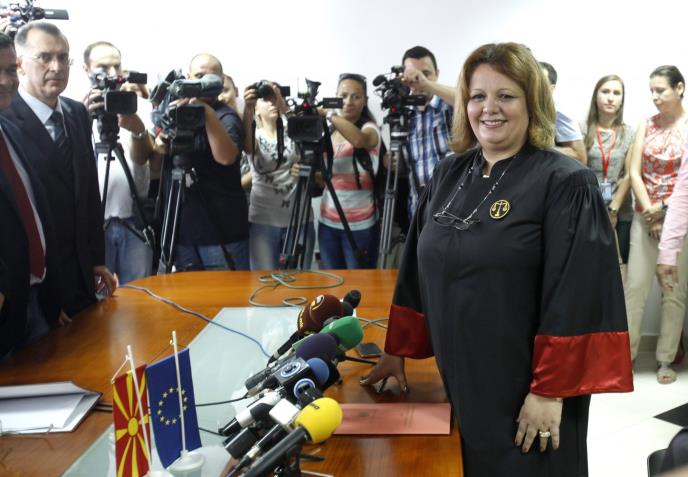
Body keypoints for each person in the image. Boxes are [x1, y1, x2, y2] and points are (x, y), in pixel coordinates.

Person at [361, 42, 632, 476]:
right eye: (478, 96)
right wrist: (397, 350)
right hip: (461, 374)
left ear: (533, 102)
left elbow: (576, 294)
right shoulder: (449, 173)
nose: (489, 108)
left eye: (506, 95)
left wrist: (549, 391)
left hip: (527, 387)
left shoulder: (566, 182)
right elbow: (416, 265)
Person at [1, 22, 116, 317]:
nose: (57, 67)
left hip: (82, 273)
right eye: (45, 57)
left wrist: (95, 258)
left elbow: (87, 192)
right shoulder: (7, 117)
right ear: (20, 65)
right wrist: (48, 300)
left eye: (63, 58)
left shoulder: (76, 112)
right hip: (41, 285)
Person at [0, 31, 64, 357]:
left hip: (35, 302)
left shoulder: (11, 131)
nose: (5, 81)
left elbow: (35, 214)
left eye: (9, 70)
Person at [626, 65, 688, 384]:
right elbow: (634, 171)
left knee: (673, 291)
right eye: (651, 90)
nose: (655, 96)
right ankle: (626, 357)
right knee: (635, 288)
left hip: (679, 220)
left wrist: (664, 210)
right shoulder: (646, 124)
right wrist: (650, 210)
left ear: (679, 88)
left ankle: (665, 359)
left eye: (660, 90)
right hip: (643, 214)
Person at [159, 53, 249, 271]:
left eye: (212, 77)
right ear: (188, 77)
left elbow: (226, 157)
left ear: (221, 80)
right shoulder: (178, 112)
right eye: (199, 76)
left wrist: (206, 113)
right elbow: (160, 154)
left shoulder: (226, 117)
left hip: (221, 232)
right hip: (183, 230)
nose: (205, 82)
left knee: (227, 292)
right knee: (187, 292)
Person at [82, 41, 158, 284]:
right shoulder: (77, 109)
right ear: (87, 69)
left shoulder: (135, 105)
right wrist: (83, 120)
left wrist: (137, 129)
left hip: (134, 220)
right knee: (98, 296)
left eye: (117, 66)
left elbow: (146, 159)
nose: (113, 73)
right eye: (103, 67)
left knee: (138, 293)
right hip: (94, 225)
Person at [242, 81, 314, 270]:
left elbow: (311, 140)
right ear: (256, 108)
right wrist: (247, 109)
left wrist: (284, 105)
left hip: (300, 219)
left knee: (299, 282)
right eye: (265, 99)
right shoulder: (255, 134)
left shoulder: (294, 129)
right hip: (263, 221)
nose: (271, 102)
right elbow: (247, 146)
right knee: (264, 282)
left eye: (274, 97)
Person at [318, 73, 380, 269]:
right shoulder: (327, 131)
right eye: (343, 96)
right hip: (327, 223)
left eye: (356, 96)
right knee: (332, 281)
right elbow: (328, 179)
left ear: (365, 100)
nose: (348, 102)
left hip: (359, 225)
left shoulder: (370, 128)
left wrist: (330, 114)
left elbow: (359, 140)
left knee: (359, 283)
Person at [581, 75, 635, 263]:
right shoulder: (582, 129)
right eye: (605, 91)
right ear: (596, 96)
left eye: (616, 93)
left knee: (620, 268)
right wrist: (598, 209)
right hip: (588, 210)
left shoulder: (629, 133)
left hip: (620, 212)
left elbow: (630, 175)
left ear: (622, 100)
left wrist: (612, 210)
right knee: (589, 266)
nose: (611, 98)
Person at [401, 46, 455, 217]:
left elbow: (470, 99)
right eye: (413, 76)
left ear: (437, 74)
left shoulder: (450, 104)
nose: (419, 81)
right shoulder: (401, 113)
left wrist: (427, 84)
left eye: (425, 73)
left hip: (454, 208)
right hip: (418, 209)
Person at [540, 62, 588, 164]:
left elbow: (580, 156)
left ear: (551, 89)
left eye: (540, 83)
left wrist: (542, 149)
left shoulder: (559, 113)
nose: (533, 86)